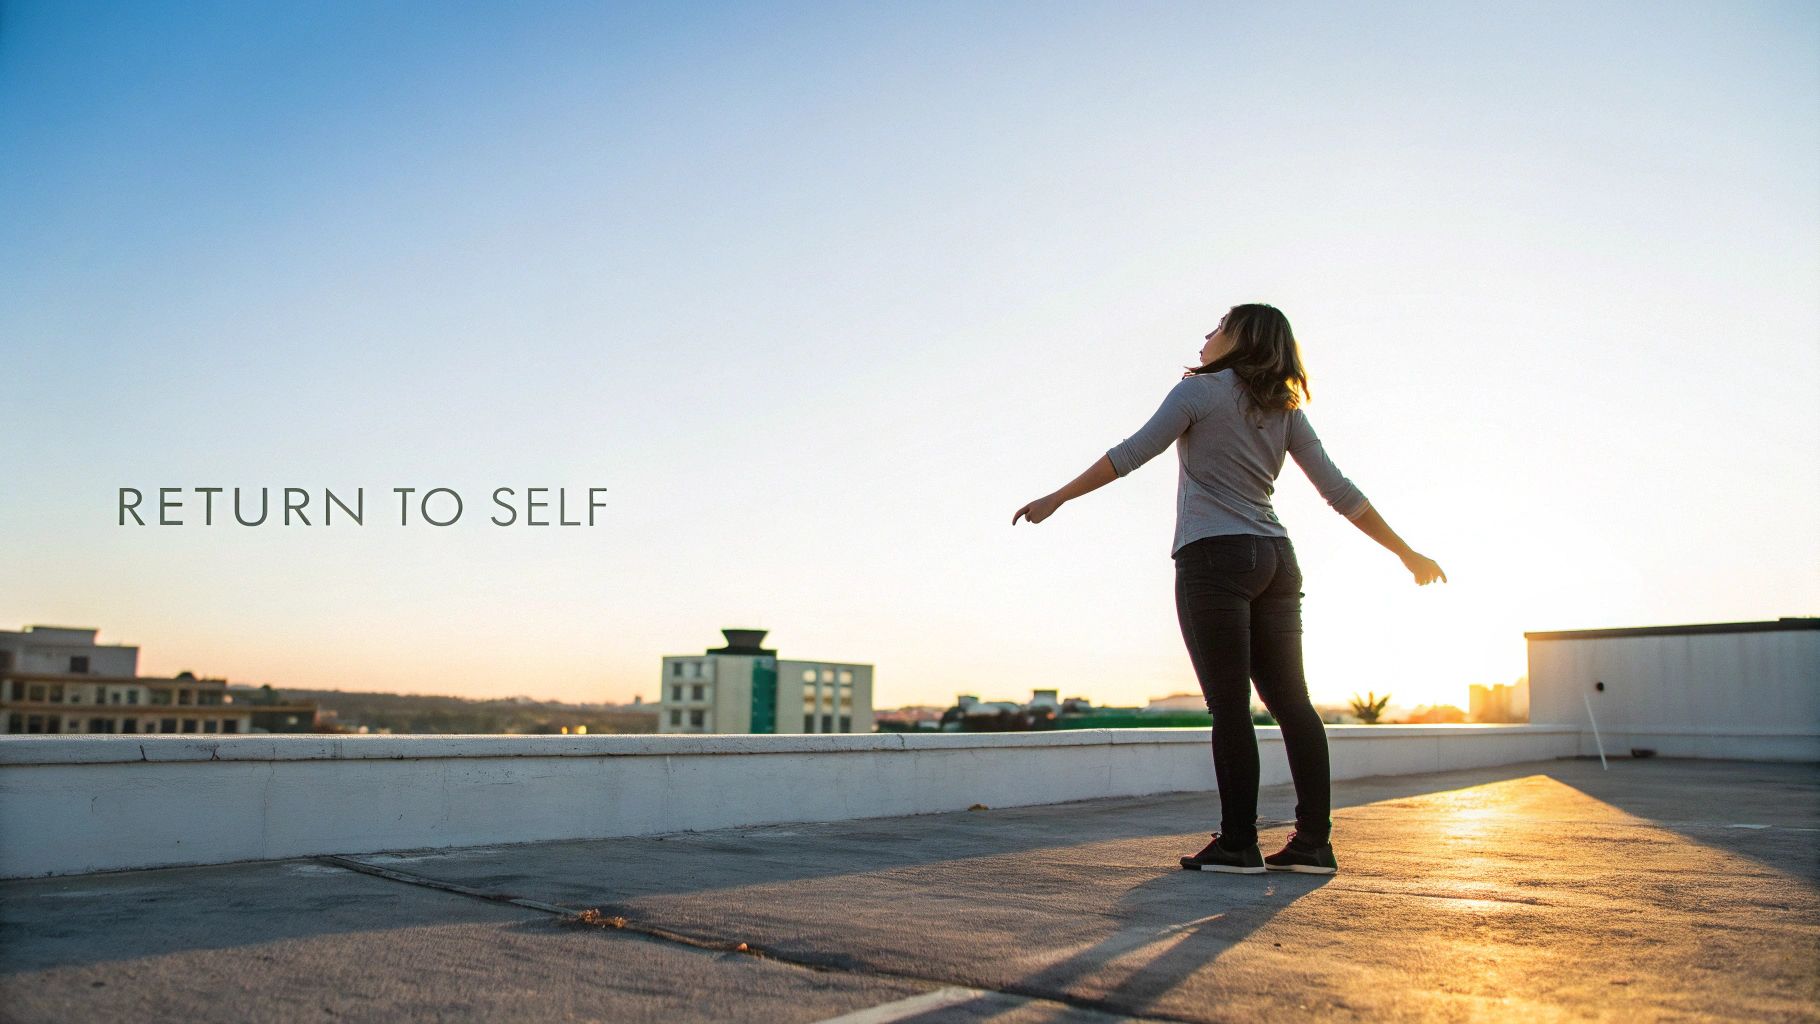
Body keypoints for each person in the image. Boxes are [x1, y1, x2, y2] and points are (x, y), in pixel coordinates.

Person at [1012, 303, 1446, 875]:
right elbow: (1339, 491)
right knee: (1294, 703)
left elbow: (1130, 453)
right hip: (1275, 557)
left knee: (1229, 707)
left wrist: (1057, 497)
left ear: (1240, 337)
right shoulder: (1285, 408)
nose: (1206, 334)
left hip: (1214, 557)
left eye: (1217, 326)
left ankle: (1239, 843)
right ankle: (1314, 843)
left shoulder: (1199, 392)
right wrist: (1405, 552)